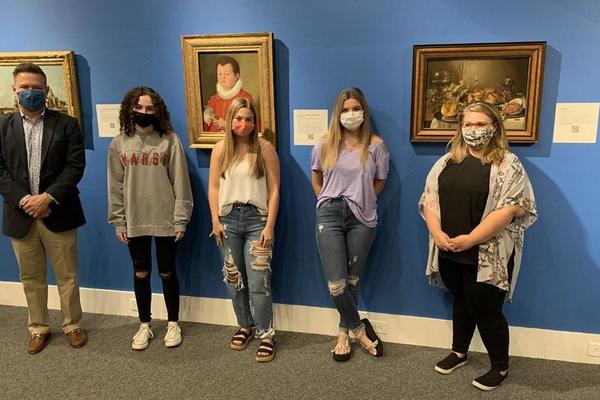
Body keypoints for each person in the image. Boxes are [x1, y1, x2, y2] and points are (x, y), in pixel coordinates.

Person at [419, 101, 537, 391]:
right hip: (448, 248)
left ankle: (500, 366)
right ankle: (459, 352)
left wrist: (471, 239)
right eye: (468, 124)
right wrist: (437, 233)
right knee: (460, 300)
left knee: (486, 309)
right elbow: (430, 199)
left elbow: (509, 209)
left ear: (494, 127)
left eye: (481, 124)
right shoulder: (446, 162)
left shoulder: (508, 164)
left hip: (487, 252)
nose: (474, 130)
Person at [0, 62, 87, 354]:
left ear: (46, 90)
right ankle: (38, 327)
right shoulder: (2, 127)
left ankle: (73, 324)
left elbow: (75, 166)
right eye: (25, 87)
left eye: (36, 88)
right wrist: (26, 201)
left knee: (67, 276)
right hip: (20, 215)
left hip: (58, 212)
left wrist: (47, 198)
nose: (31, 92)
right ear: (14, 90)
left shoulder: (67, 124)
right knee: (31, 278)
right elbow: (0, 171)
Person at [107, 87, 193, 350]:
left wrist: (181, 218)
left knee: (167, 272)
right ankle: (144, 324)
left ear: (158, 111)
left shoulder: (170, 140)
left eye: (149, 108)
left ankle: (173, 322)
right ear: (129, 109)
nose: (144, 113)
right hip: (134, 219)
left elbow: (181, 182)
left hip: (165, 218)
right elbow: (115, 186)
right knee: (141, 272)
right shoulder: (119, 143)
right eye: (139, 107)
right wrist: (118, 220)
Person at [311, 87, 389, 361]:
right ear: (338, 113)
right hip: (329, 215)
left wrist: (364, 200)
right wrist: (325, 200)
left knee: (353, 280)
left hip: (362, 217)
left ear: (364, 111)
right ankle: (359, 330)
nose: (351, 114)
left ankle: (343, 333)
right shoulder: (324, 144)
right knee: (336, 284)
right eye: (345, 110)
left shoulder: (376, 146)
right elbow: (317, 176)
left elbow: (380, 181)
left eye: (356, 108)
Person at [208, 97, 280, 362]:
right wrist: (215, 220)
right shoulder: (220, 149)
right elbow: (213, 187)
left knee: (259, 282)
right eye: (239, 118)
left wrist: (270, 225)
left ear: (255, 122)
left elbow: (274, 190)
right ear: (230, 120)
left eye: (249, 119)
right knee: (234, 279)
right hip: (227, 220)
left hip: (257, 220)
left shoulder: (264, 148)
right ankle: (244, 325)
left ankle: (266, 334)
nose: (244, 123)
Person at [203, 56, 255, 132]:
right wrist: (207, 117)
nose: (222, 77)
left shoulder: (246, 98)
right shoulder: (214, 99)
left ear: (236, 76)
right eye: (220, 74)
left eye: (227, 74)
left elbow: (250, 126)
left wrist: (227, 125)